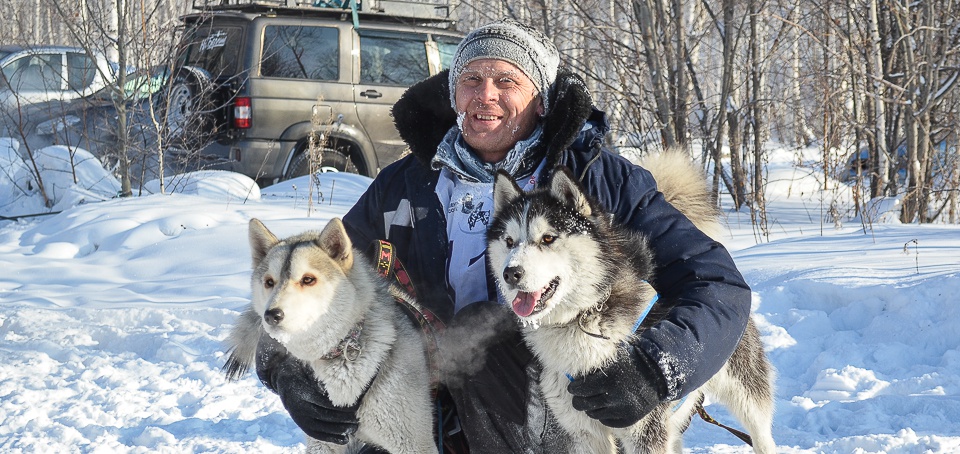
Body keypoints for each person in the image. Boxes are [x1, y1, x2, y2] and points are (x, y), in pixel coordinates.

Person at [254, 19, 752, 452]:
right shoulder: (405, 185)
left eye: (505, 80)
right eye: (470, 79)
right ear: (453, 97)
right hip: (436, 396)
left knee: (485, 329)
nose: (484, 95)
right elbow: (312, 276)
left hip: (573, 388)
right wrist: (286, 367)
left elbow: (718, 286)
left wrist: (654, 367)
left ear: (540, 100)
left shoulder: (597, 179)